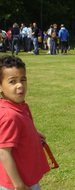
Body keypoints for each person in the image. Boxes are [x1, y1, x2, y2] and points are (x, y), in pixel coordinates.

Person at [0, 55, 50, 190]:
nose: (20, 85)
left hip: (25, 175)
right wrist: (19, 185)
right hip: (18, 182)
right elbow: (4, 152)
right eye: (12, 81)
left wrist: (33, 133)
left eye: (23, 80)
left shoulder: (18, 106)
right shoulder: (10, 115)